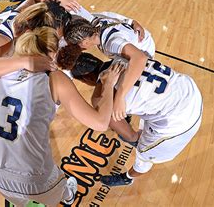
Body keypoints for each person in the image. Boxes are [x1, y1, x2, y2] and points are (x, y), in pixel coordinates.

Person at [0, 27, 124, 206]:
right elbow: (100, 123)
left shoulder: (0, 68)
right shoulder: (56, 78)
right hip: (35, 180)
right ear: (51, 53)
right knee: (60, 192)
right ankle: (68, 195)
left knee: (20, 200)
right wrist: (108, 84)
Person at [65, 53, 202, 187]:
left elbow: (130, 135)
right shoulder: (123, 56)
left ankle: (128, 178)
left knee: (144, 153)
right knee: (147, 113)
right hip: (189, 89)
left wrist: (135, 139)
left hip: (180, 120)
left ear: (85, 79)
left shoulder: (99, 97)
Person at [61, 16, 155, 122]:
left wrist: (120, 97)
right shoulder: (96, 23)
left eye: (76, 45)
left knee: (116, 92)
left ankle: (125, 113)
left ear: (84, 42)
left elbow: (140, 58)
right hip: (135, 45)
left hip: (143, 52)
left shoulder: (112, 43)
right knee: (110, 80)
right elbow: (117, 18)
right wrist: (132, 21)